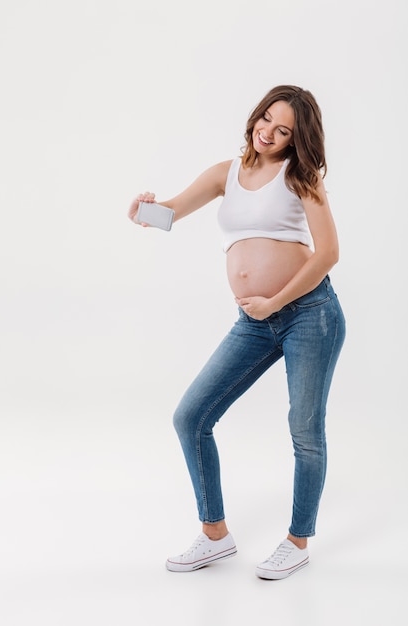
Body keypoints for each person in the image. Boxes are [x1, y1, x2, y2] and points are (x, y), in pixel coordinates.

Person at [128, 85, 346, 580]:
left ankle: (297, 541)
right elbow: (168, 214)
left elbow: (328, 253)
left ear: (296, 138)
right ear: (256, 116)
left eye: (283, 129)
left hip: (311, 313)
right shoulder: (225, 173)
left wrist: (276, 300)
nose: (268, 131)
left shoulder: (300, 176)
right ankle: (215, 536)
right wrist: (143, 209)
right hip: (254, 320)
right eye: (266, 118)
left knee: (304, 430)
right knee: (191, 416)